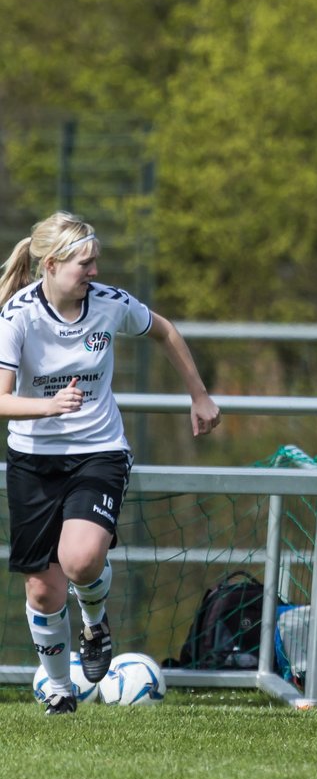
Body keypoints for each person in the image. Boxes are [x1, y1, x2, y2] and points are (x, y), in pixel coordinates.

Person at [0, 211, 220, 715]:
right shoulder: (18, 316)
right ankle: (59, 689)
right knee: (42, 589)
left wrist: (199, 397)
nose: (94, 271)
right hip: (33, 460)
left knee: (80, 559)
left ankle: (94, 620)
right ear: (52, 265)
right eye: (85, 263)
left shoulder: (109, 305)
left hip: (99, 452)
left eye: (96, 260)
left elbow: (164, 331)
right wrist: (47, 407)